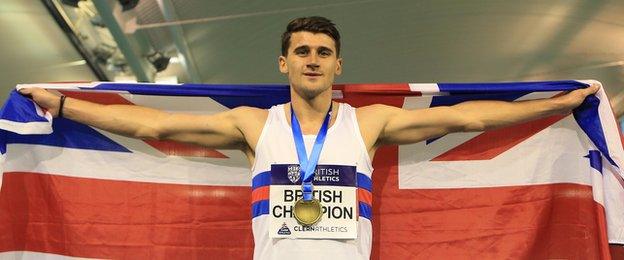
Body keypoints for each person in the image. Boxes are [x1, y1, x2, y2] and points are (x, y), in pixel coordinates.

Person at [19, 16, 598, 260]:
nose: (313, 61)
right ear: (284, 63)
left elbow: (468, 118)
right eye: (303, 52)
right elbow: (154, 126)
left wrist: (557, 104)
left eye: (323, 53)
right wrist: (67, 104)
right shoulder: (254, 124)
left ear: (337, 63)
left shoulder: (367, 123)